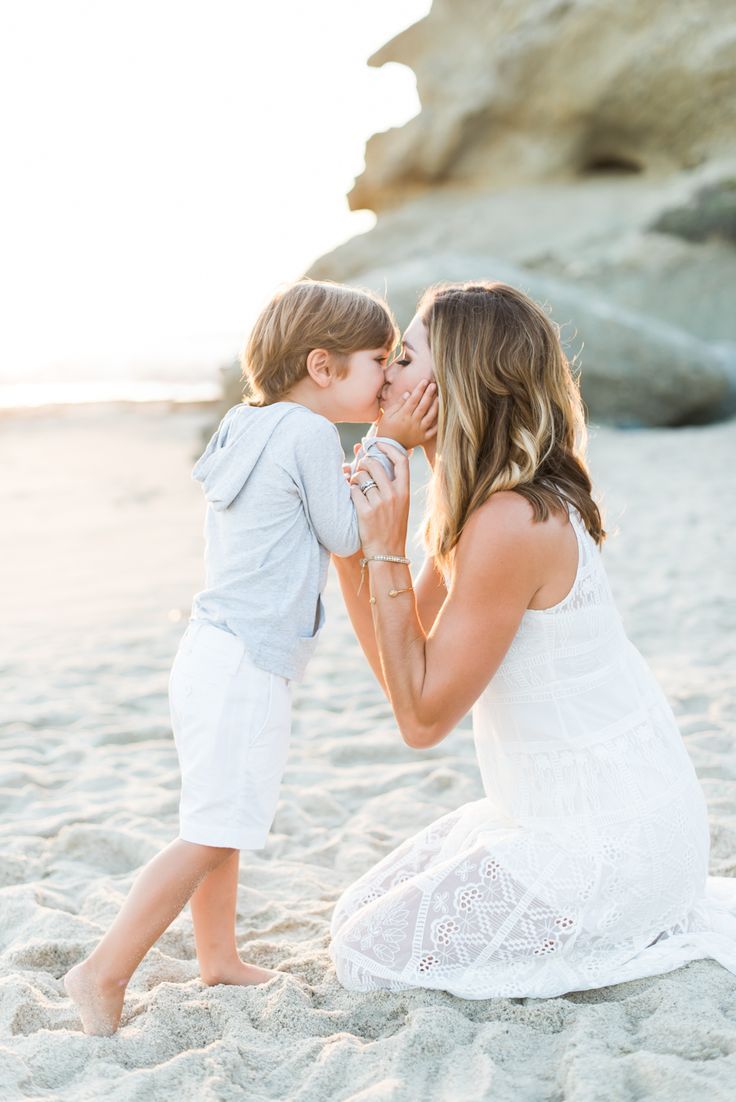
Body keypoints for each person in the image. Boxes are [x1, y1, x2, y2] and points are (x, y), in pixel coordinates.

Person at [329, 280, 736, 999]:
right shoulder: (479, 504)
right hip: (546, 809)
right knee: (353, 918)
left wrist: (385, 548)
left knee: (369, 955)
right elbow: (402, 669)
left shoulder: (511, 521)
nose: (385, 372)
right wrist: (351, 546)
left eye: (404, 357)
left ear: (457, 378)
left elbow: (421, 721)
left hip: (610, 835)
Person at [63, 279, 438, 1034]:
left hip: (211, 650)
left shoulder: (249, 422)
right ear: (324, 366)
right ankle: (101, 971)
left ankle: (219, 957)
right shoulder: (304, 433)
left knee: (220, 816)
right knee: (212, 827)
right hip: (244, 661)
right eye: (377, 360)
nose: (387, 377)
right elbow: (345, 537)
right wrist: (391, 444)